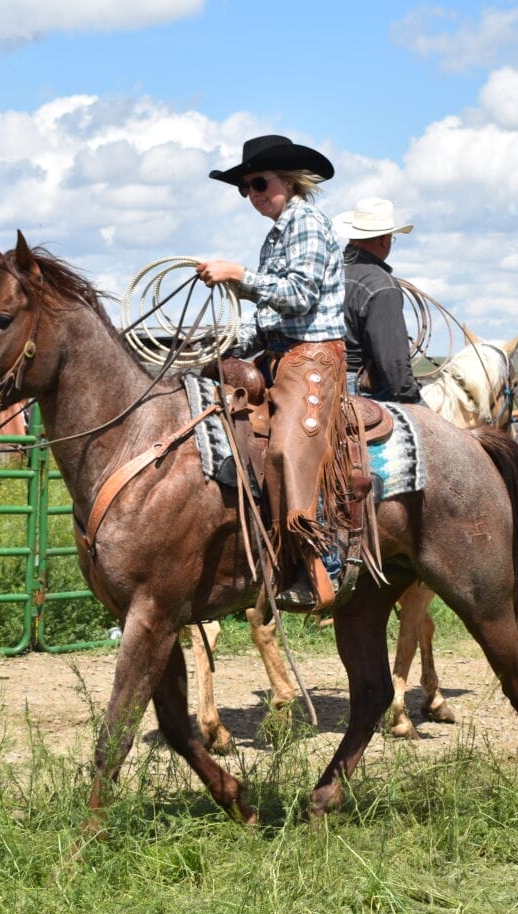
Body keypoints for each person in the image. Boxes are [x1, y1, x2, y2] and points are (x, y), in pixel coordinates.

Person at [196, 134, 347, 610]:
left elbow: (299, 295)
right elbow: (270, 315)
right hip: (279, 353)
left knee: (286, 447)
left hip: (313, 356)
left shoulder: (305, 223)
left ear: (289, 181)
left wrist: (240, 276)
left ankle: (324, 560)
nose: (253, 195)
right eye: (246, 189)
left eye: (259, 183)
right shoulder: (277, 232)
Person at [333, 197, 422, 404]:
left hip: (319, 380)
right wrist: (410, 397)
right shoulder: (382, 286)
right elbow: (393, 360)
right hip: (359, 390)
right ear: (385, 240)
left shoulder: (328, 271)